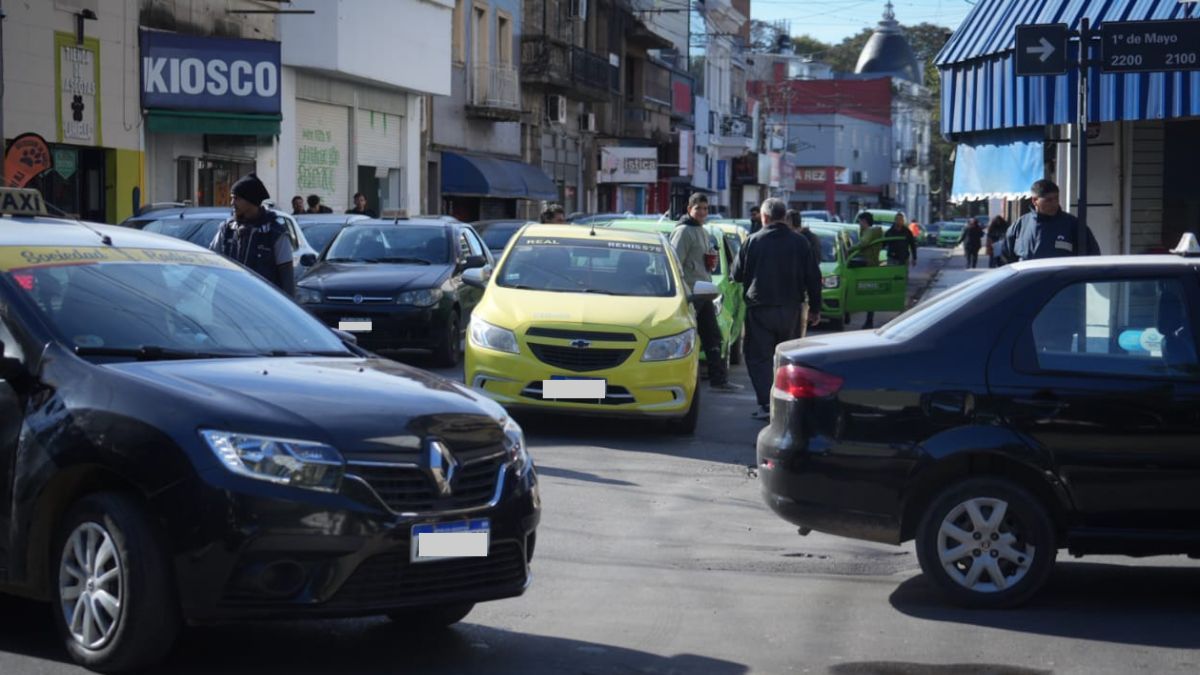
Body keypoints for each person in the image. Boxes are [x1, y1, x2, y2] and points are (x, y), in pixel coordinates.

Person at [732, 198, 822, 421]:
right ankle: (785, 402)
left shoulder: (752, 241)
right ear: (784, 217)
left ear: (764, 217)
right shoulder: (800, 243)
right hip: (791, 309)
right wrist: (815, 309)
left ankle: (766, 402)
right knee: (787, 358)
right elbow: (813, 277)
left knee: (758, 358)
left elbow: (736, 274)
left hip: (760, 309)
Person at [670, 193, 741, 392]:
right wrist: (685, 293)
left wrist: (711, 262)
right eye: (698, 208)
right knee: (684, 339)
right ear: (689, 209)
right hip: (690, 296)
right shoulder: (683, 230)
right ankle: (680, 380)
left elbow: (701, 261)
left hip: (704, 292)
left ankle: (718, 380)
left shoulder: (701, 230)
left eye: (705, 208)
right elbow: (676, 265)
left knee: (713, 337)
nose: (702, 212)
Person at [210, 173, 296, 295]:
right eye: (232, 198)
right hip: (227, 305)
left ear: (251, 201)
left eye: (236, 198)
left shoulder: (275, 233)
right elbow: (209, 260)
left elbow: (287, 280)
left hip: (262, 307)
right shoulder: (228, 229)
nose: (231, 203)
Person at [1005, 179, 1101, 261]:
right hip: (1029, 282)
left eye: (1056, 198)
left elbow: (1092, 257)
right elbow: (1006, 260)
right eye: (1048, 200)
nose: (1054, 203)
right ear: (1035, 201)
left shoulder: (1073, 225)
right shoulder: (1020, 226)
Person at [855, 211, 885, 329]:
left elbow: (863, 243)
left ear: (864, 221)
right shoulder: (875, 232)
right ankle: (869, 319)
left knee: (867, 292)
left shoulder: (869, 232)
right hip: (872, 265)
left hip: (867, 265)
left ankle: (869, 320)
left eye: (860, 222)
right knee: (871, 293)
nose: (859, 225)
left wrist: (850, 250)